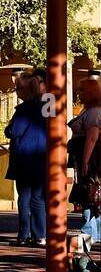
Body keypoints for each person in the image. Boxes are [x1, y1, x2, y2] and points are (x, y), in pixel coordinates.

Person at [5, 70, 47, 246]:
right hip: (41, 157)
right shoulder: (46, 105)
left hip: (24, 159)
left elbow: (14, 132)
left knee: (24, 198)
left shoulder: (23, 110)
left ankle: (23, 235)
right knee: (38, 199)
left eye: (18, 88)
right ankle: (40, 235)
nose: (16, 92)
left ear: (26, 89)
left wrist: (8, 129)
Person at [67, 77, 101, 249]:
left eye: (81, 90)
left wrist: (85, 162)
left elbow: (92, 137)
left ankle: (85, 243)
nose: (78, 93)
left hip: (90, 161)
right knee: (91, 197)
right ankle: (92, 239)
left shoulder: (94, 112)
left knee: (89, 197)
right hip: (85, 159)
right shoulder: (87, 110)